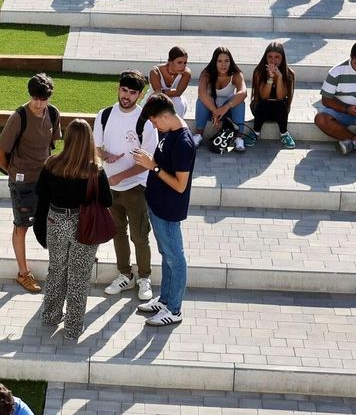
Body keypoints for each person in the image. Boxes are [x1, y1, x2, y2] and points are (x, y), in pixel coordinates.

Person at [33, 119, 112, 341]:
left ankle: (50, 316)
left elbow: (42, 198)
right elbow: (106, 200)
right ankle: (73, 328)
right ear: (89, 141)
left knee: (56, 269)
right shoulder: (95, 170)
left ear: (67, 140)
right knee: (79, 276)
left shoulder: (51, 164)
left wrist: (40, 230)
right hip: (84, 226)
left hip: (56, 222)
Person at [0, 73, 62, 295]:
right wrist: (14, 173)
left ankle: (59, 266)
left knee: (53, 221)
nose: (39, 103)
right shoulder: (19, 117)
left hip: (45, 180)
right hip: (23, 183)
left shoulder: (53, 113)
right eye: (35, 98)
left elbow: (51, 146)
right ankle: (23, 273)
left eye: (43, 99)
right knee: (22, 226)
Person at [130, 95, 196, 326]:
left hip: (168, 210)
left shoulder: (183, 143)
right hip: (157, 206)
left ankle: (174, 310)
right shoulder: (169, 132)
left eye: (156, 122)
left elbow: (180, 185)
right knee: (167, 256)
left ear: (166, 116)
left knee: (175, 259)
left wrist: (153, 166)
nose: (155, 127)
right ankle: (166, 300)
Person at [95, 71, 157, 303]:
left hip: (135, 188)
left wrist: (121, 176)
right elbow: (96, 147)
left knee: (140, 236)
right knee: (118, 233)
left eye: (133, 93)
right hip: (111, 187)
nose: (127, 96)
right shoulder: (104, 115)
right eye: (124, 90)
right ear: (118, 88)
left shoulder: (146, 122)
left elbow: (148, 162)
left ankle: (144, 278)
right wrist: (106, 155)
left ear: (140, 95)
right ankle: (125, 275)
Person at [198, 46, 249, 150]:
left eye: (227, 61)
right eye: (220, 61)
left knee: (240, 101)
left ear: (231, 62)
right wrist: (215, 111)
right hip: (211, 111)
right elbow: (201, 93)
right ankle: (198, 135)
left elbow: (243, 92)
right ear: (214, 62)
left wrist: (225, 108)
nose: (223, 64)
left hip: (228, 112)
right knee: (201, 100)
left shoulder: (236, 74)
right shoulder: (206, 74)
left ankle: (238, 138)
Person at [251, 42, 298, 148]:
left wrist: (280, 78)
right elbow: (263, 96)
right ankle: (255, 132)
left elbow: (281, 97)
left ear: (282, 58)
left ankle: (284, 133)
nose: (273, 60)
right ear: (266, 58)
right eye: (270, 57)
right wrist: (271, 78)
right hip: (260, 108)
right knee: (263, 103)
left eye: (277, 57)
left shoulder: (289, 74)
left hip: (279, 111)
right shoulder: (259, 71)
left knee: (280, 104)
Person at [148, 47, 192, 117]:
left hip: (174, 102)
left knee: (178, 101)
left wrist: (161, 91)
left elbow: (178, 92)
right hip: (154, 101)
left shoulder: (186, 73)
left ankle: (179, 127)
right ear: (170, 61)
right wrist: (160, 92)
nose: (183, 66)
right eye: (179, 63)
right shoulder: (155, 72)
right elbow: (159, 96)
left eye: (185, 63)